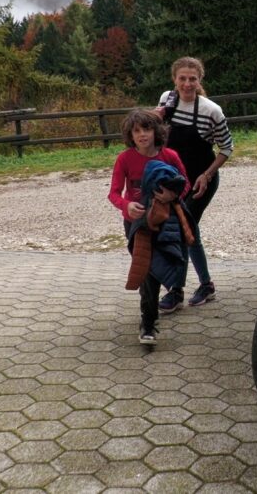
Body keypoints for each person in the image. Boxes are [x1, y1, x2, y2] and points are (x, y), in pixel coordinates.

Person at [155, 56, 233, 312]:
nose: (187, 84)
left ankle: (176, 290)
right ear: (174, 79)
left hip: (201, 181)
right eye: (182, 79)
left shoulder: (211, 111)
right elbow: (158, 136)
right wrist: (155, 118)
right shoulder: (167, 100)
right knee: (187, 232)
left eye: (192, 79)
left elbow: (226, 148)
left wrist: (207, 175)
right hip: (174, 181)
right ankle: (205, 285)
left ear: (200, 80)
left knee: (183, 229)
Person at [108, 109, 189, 344]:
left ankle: (161, 307)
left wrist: (171, 195)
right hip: (136, 223)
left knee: (161, 265)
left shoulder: (169, 156)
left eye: (147, 129)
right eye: (137, 131)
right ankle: (148, 321)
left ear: (156, 131)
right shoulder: (124, 159)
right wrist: (127, 205)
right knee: (146, 269)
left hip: (165, 221)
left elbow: (185, 184)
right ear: (130, 135)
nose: (142, 135)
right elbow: (113, 193)